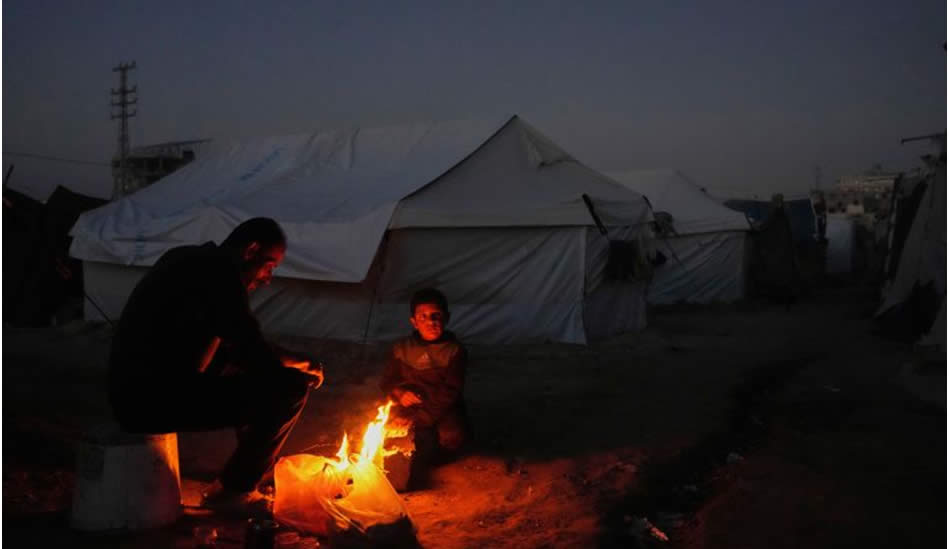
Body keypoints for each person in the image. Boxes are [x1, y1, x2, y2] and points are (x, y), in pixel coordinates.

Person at [108, 217, 324, 513]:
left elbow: (231, 348)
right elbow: (250, 346)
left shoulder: (188, 259)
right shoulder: (219, 273)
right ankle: (237, 491)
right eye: (270, 266)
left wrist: (290, 363)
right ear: (251, 250)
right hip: (151, 399)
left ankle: (236, 481)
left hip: (131, 392)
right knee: (289, 390)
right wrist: (295, 370)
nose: (268, 278)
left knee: (260, 378)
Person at [380, 288, 470, 461]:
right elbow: (387, 381)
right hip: (409, 406)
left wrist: (423, 418)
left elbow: (450, 392)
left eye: (436, 315)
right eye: (423, 317)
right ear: (414, 322)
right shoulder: (401, 349)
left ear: (447, 317)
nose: (430, 322)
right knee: (387, 430)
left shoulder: (455, 351)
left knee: (451, 437)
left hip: (441, 407)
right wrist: (400, 394)